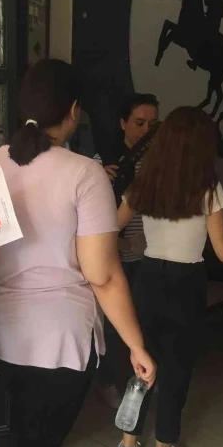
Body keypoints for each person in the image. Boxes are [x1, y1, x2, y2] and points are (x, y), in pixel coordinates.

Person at [0, 59, 157, 447]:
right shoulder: (83, 173)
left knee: (31, 423)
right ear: (74, 110)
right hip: (56, 337)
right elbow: (103, 274)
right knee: (34, 442)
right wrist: (136, 344)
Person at [115, 106, 223, 447]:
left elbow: (110, 226)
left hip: (146, 278)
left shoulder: (145, 181)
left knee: (140, 362)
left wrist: (130, 245)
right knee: (175, 369)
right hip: (186, 281)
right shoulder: (206, 187)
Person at [93, 93, 159, 408]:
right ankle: (107, 382)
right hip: (113, 257)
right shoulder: (100, 162)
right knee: (110, 327)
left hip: (151, 253)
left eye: (152, 124)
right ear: (122, 123)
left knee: (145, 321)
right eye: (139, 123)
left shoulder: (159, 161)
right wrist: (100, 181)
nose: (145, 130)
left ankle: (143, 380)